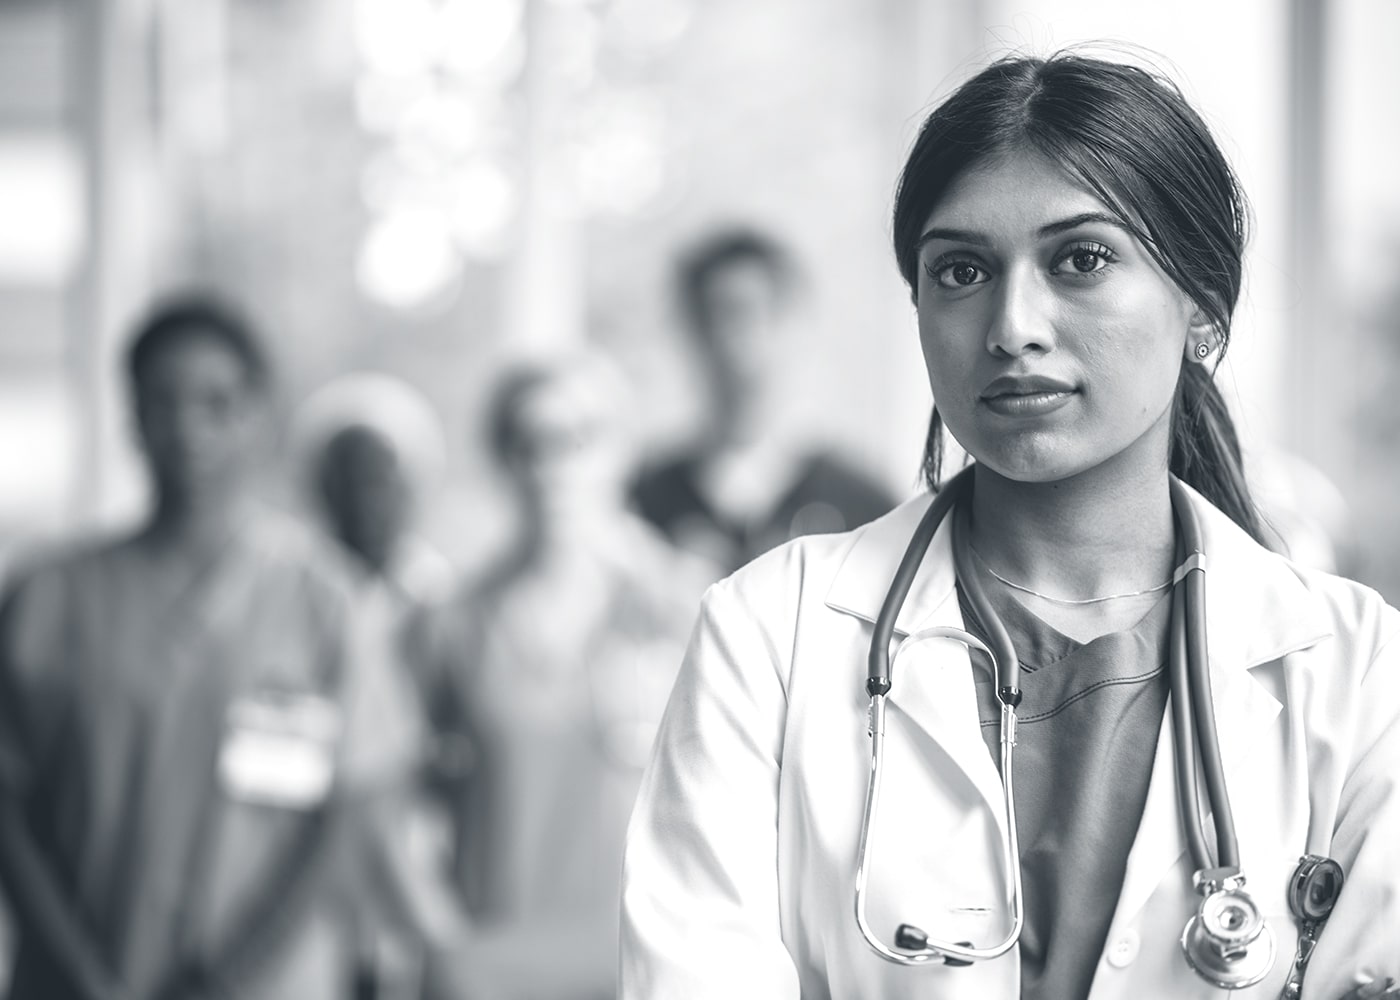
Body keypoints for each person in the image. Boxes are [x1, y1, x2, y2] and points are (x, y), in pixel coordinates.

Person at [620, 53, 1400, 999]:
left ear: (1199, 301)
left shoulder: (1357, 674)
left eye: (1082, 258)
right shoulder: (766, 636)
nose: (1012, 324)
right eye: (961, 270)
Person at [0, 298, 401, 1000]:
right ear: (131, 419)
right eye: (163, 402)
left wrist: (226, 980)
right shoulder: (46, 598)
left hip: (271, 984)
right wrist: (77, 971)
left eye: (217, 402)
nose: (188, 429)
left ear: (258, 417)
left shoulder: (324, 604)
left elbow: (348, 815)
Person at [415, 352, 702, 1000]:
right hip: (495, 965)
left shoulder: (681, 609)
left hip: (644, 965)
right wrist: (440, 939)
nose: (553, 465)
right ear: (502, 458)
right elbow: (390, 796)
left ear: (621, 452)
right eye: (530, 442)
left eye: (579, 438)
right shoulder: (453, 623)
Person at [294, 374, 468, 1000]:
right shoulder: (294, 596)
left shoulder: (446, 604)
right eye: (347, 476)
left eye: (385, 475)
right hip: (313, 869)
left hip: (418, 858)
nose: (367, 497)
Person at [629, 228, 897, 577]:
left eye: (758, 314)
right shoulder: (641, 504)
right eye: (716, 317)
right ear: (688, 333)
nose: (739, 345)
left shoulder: (866, 508)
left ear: (799, 328)